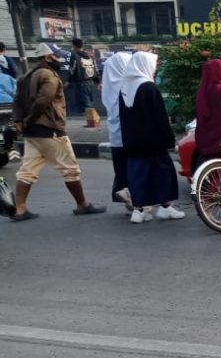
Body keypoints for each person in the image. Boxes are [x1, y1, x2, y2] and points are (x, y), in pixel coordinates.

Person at [9, 42, 106, 221]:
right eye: (56, 56)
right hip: (50, 129)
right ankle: (82, 204)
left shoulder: (26, 76)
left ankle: (20, 209)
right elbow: (43, 101)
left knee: (27, 171)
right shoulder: (50, 75)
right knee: (70, 169)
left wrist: (20, 121)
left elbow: (17, 101)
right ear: (47, 57)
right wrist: (30, 119)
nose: (60, 59)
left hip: (32, 133)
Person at [119, 51, 184, 224]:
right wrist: (169, 140)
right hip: (153, 142)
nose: (154, 70)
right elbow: (160, 118)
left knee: (138, 175)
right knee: (163, 174)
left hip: (133, 142)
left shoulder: (125, 88)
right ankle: (165, 208)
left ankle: (139, 211)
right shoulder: (149, 87)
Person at [101, 51, 133, 211]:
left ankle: (127, 198)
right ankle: (132, 201)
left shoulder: (109, 85)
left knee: (121, 170)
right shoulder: (126, 87)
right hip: (127, 134)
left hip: (115, 136)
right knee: (132, 169)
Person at [68, 38, 98, 115]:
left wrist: (69, 81)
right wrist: (98, 81)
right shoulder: (89, 56)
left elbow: (72, 70)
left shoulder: (74, 55)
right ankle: (92, 120)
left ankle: (92, 121)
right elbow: (95, 68)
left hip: (80, 82)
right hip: (91, 82)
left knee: (86, 104)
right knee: (90, 101)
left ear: (74, 46)